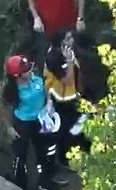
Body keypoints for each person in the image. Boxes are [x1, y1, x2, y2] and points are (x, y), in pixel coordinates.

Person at [0, 54, 57, 190]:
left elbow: (46, 90)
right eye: (25, 69)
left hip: (40, 122)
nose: (30, 70)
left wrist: (49, 102)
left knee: (45, 151)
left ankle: (45, 181)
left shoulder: (35, 79)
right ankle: (20, 186)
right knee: (20, 157)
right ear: (17, 75)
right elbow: (3, 108)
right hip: (22, 125)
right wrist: (9, 128)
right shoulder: (11, 91)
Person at [44, 36, 92, 171]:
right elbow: (67, 80)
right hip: (63, 100)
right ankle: (64, 159)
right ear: (62, 43)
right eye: (69, 38)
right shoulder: (53, 58)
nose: (72, 39)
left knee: (81, 124)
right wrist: (70, 61)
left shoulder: (69, 51)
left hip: (75, 97)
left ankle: (85, 150)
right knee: (65, 132)